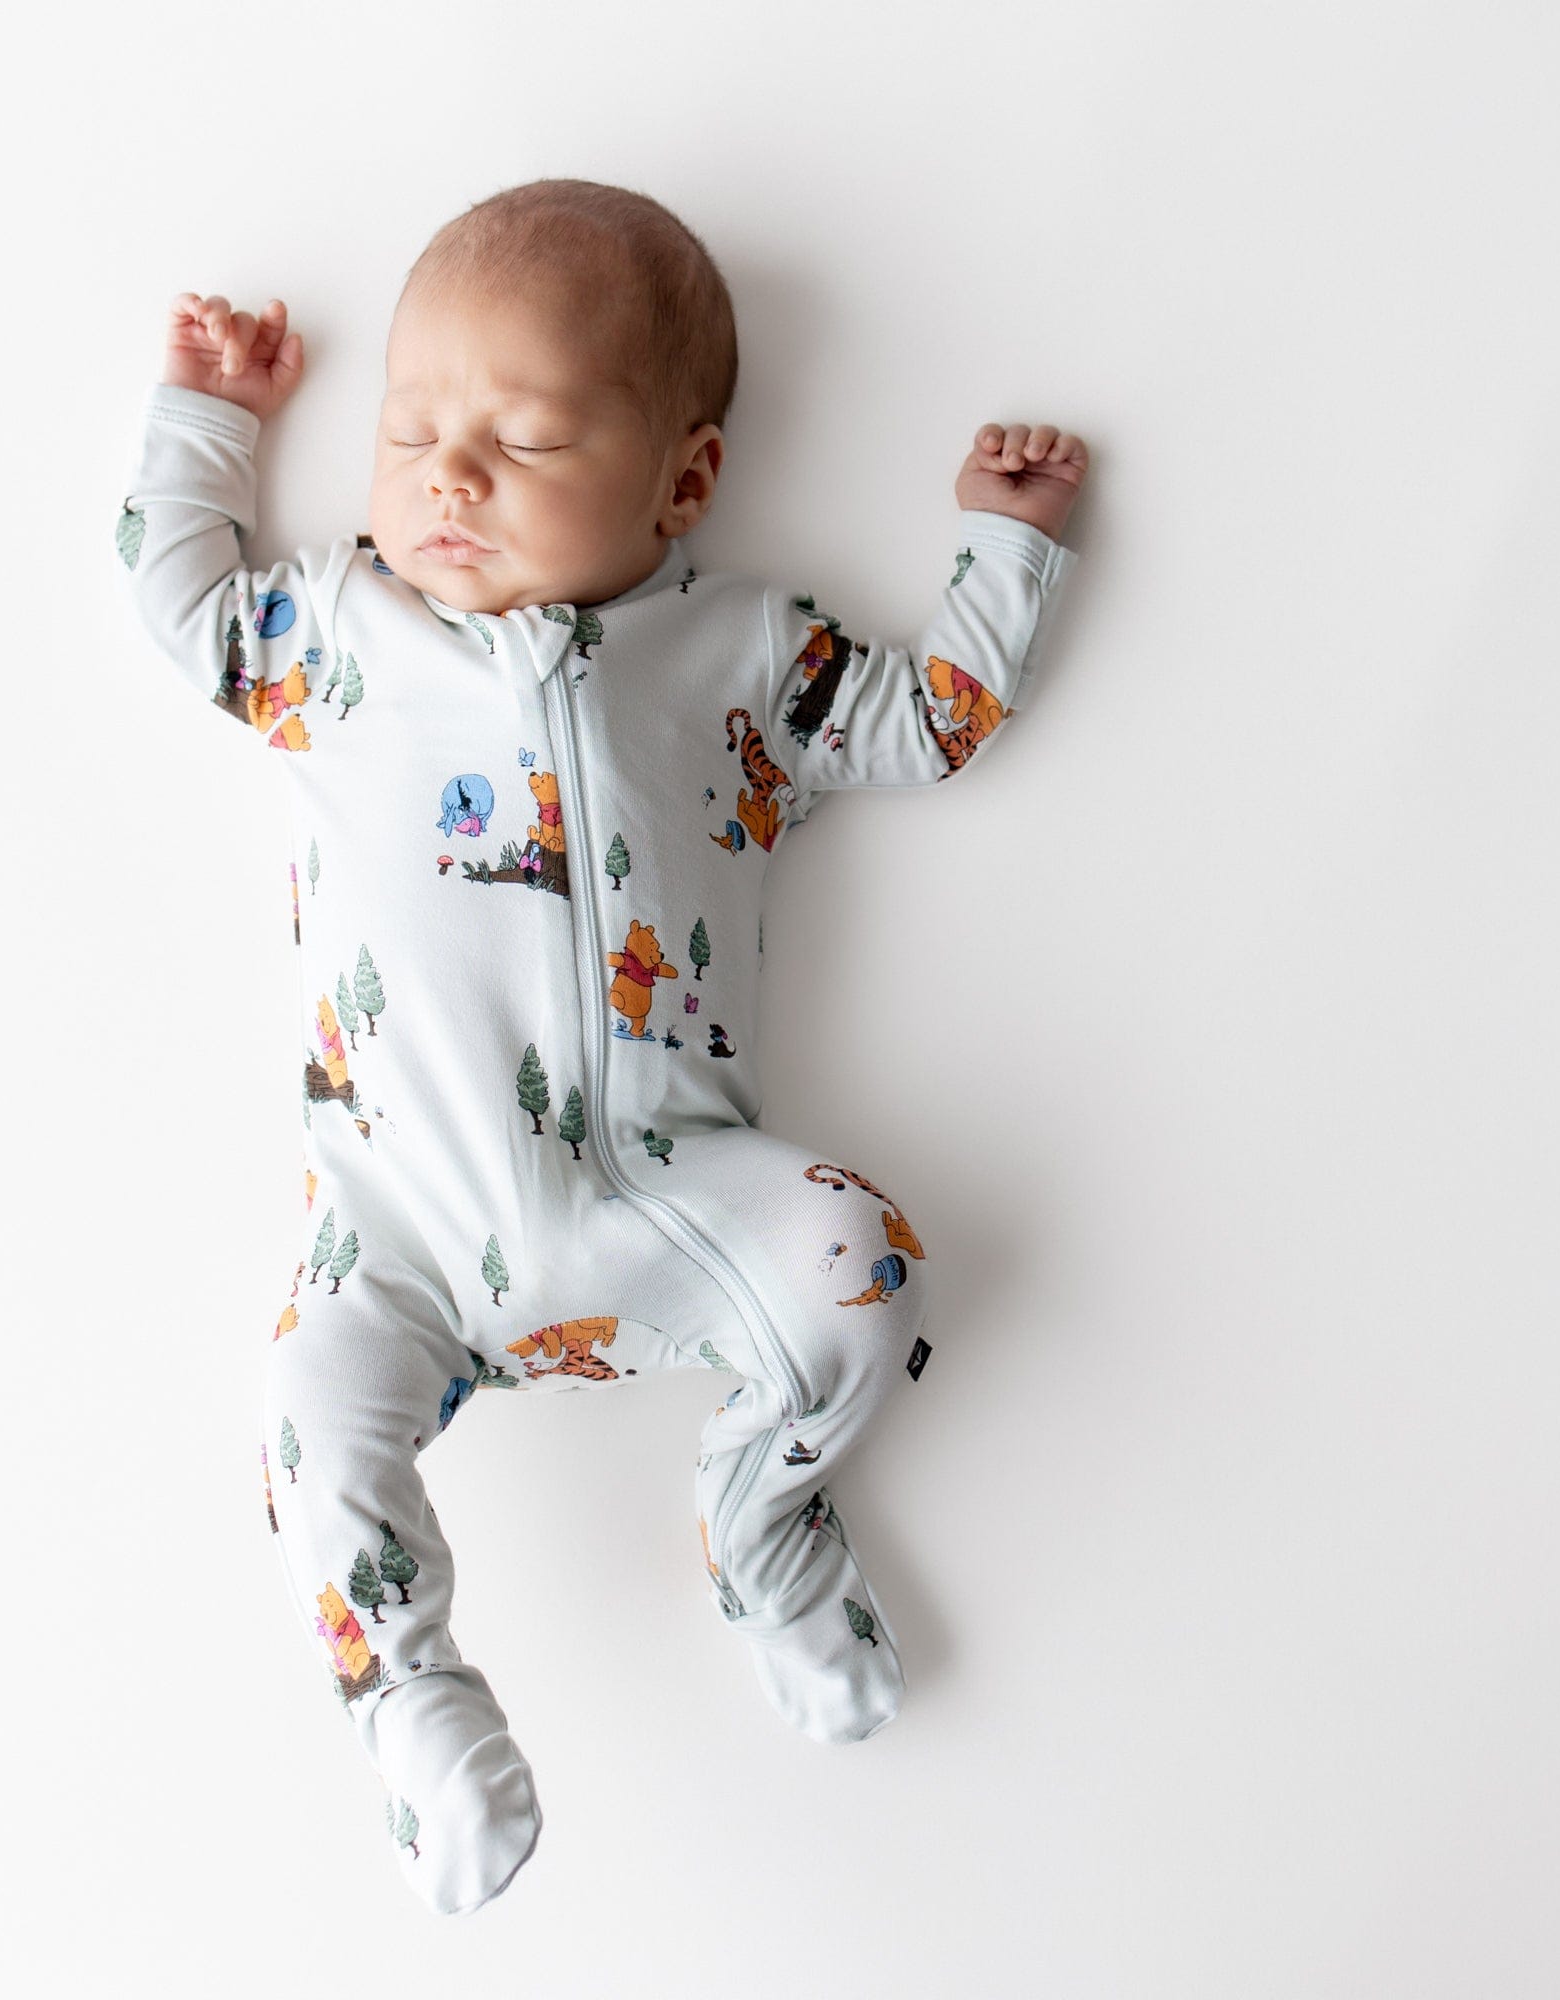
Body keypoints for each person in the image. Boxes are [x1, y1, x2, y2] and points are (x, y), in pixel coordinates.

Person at [112, 176, 1088, 1916]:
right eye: (411, 432)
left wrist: (1002, 552)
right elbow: (182, 599)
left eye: (528, 438)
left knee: (865, 1262)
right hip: (401, 1231)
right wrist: (208, 418)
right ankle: (410, 1698)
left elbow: (927, 726)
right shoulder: (336, 641)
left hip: (677, 1202)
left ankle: (762, 1523)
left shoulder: (739, 657)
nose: (449, 476)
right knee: (304, 1415)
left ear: (683, 479)